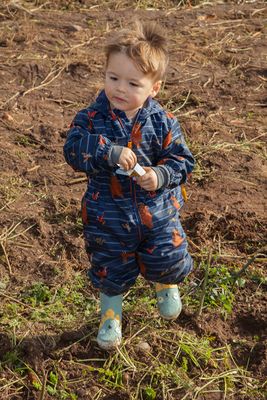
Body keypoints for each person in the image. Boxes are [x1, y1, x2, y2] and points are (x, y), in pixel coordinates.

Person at [63, 21, 195, 350]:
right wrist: (107, 152)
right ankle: (111, 317)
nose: (120, 89)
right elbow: (73, 150)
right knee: (110, 266)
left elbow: (182, 160)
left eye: (133, 83)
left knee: (167, 254)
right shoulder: (92, 119)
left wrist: (159, 175)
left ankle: (165, 284)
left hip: (158, 211)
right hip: (107, 213)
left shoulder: (163, 122)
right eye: (113, 78)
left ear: (154, 88)